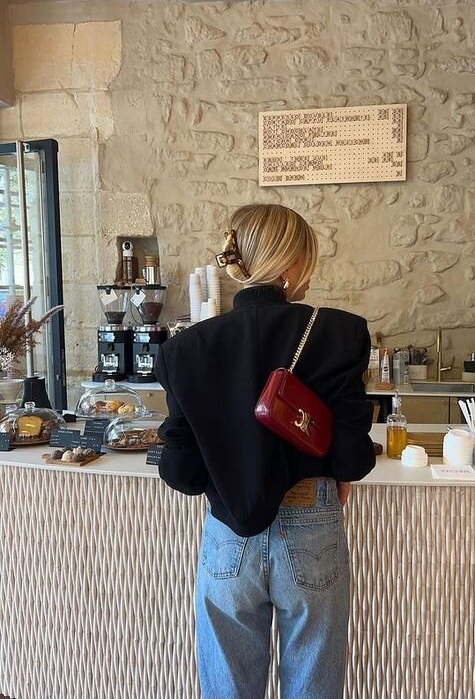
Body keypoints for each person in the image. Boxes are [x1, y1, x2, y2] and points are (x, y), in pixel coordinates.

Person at [155, 203, 376, 699]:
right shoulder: (339, 332)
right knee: (313, 684)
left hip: (227, 536)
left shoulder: (184, 349)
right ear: (290, 263)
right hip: (311, 523)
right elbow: (354, 459)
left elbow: (181, 471)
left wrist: (226, 461)